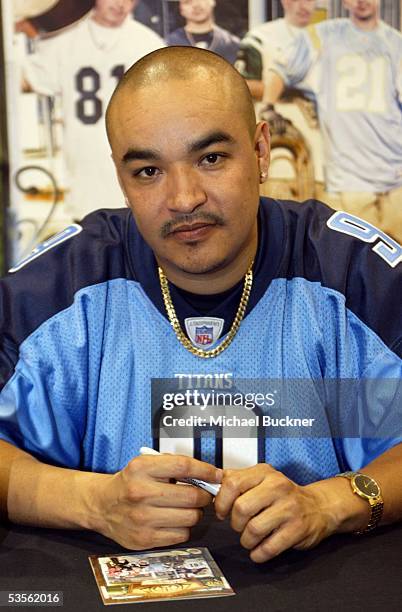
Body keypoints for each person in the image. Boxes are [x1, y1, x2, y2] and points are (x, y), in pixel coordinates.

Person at [1, 47, 402, 564]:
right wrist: (92, 503)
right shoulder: (62, 287)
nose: (184, 198)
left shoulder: (351, 274)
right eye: (148, 171)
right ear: (121, 178)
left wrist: (327, 504)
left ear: (260, 152)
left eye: (211, 158)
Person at [263, 0, 402, 242]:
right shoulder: (323, 36)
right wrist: (268, 106)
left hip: (396, 178)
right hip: (348, 180)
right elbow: (280, 70)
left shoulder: (396, 42)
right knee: (355, 265)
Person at [22, 0, 164, 221]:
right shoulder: (63, 41)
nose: (120, 4)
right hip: (84, 175)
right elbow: (25, 81)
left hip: (136, 171)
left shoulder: (148, 43)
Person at [236, 0, 316, 101]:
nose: (303, 6)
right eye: (295, 0)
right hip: (274, 111)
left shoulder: (329, 38)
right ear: (284, 1)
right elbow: (241, 86)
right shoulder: (260, 36)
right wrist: (283, 88)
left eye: (309, 0)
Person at [166, 0, 239, 64]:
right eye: (187, 1)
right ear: (181, 9)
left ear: (212, 1)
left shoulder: (232, 43)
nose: (195, 5)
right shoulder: (169, 45)